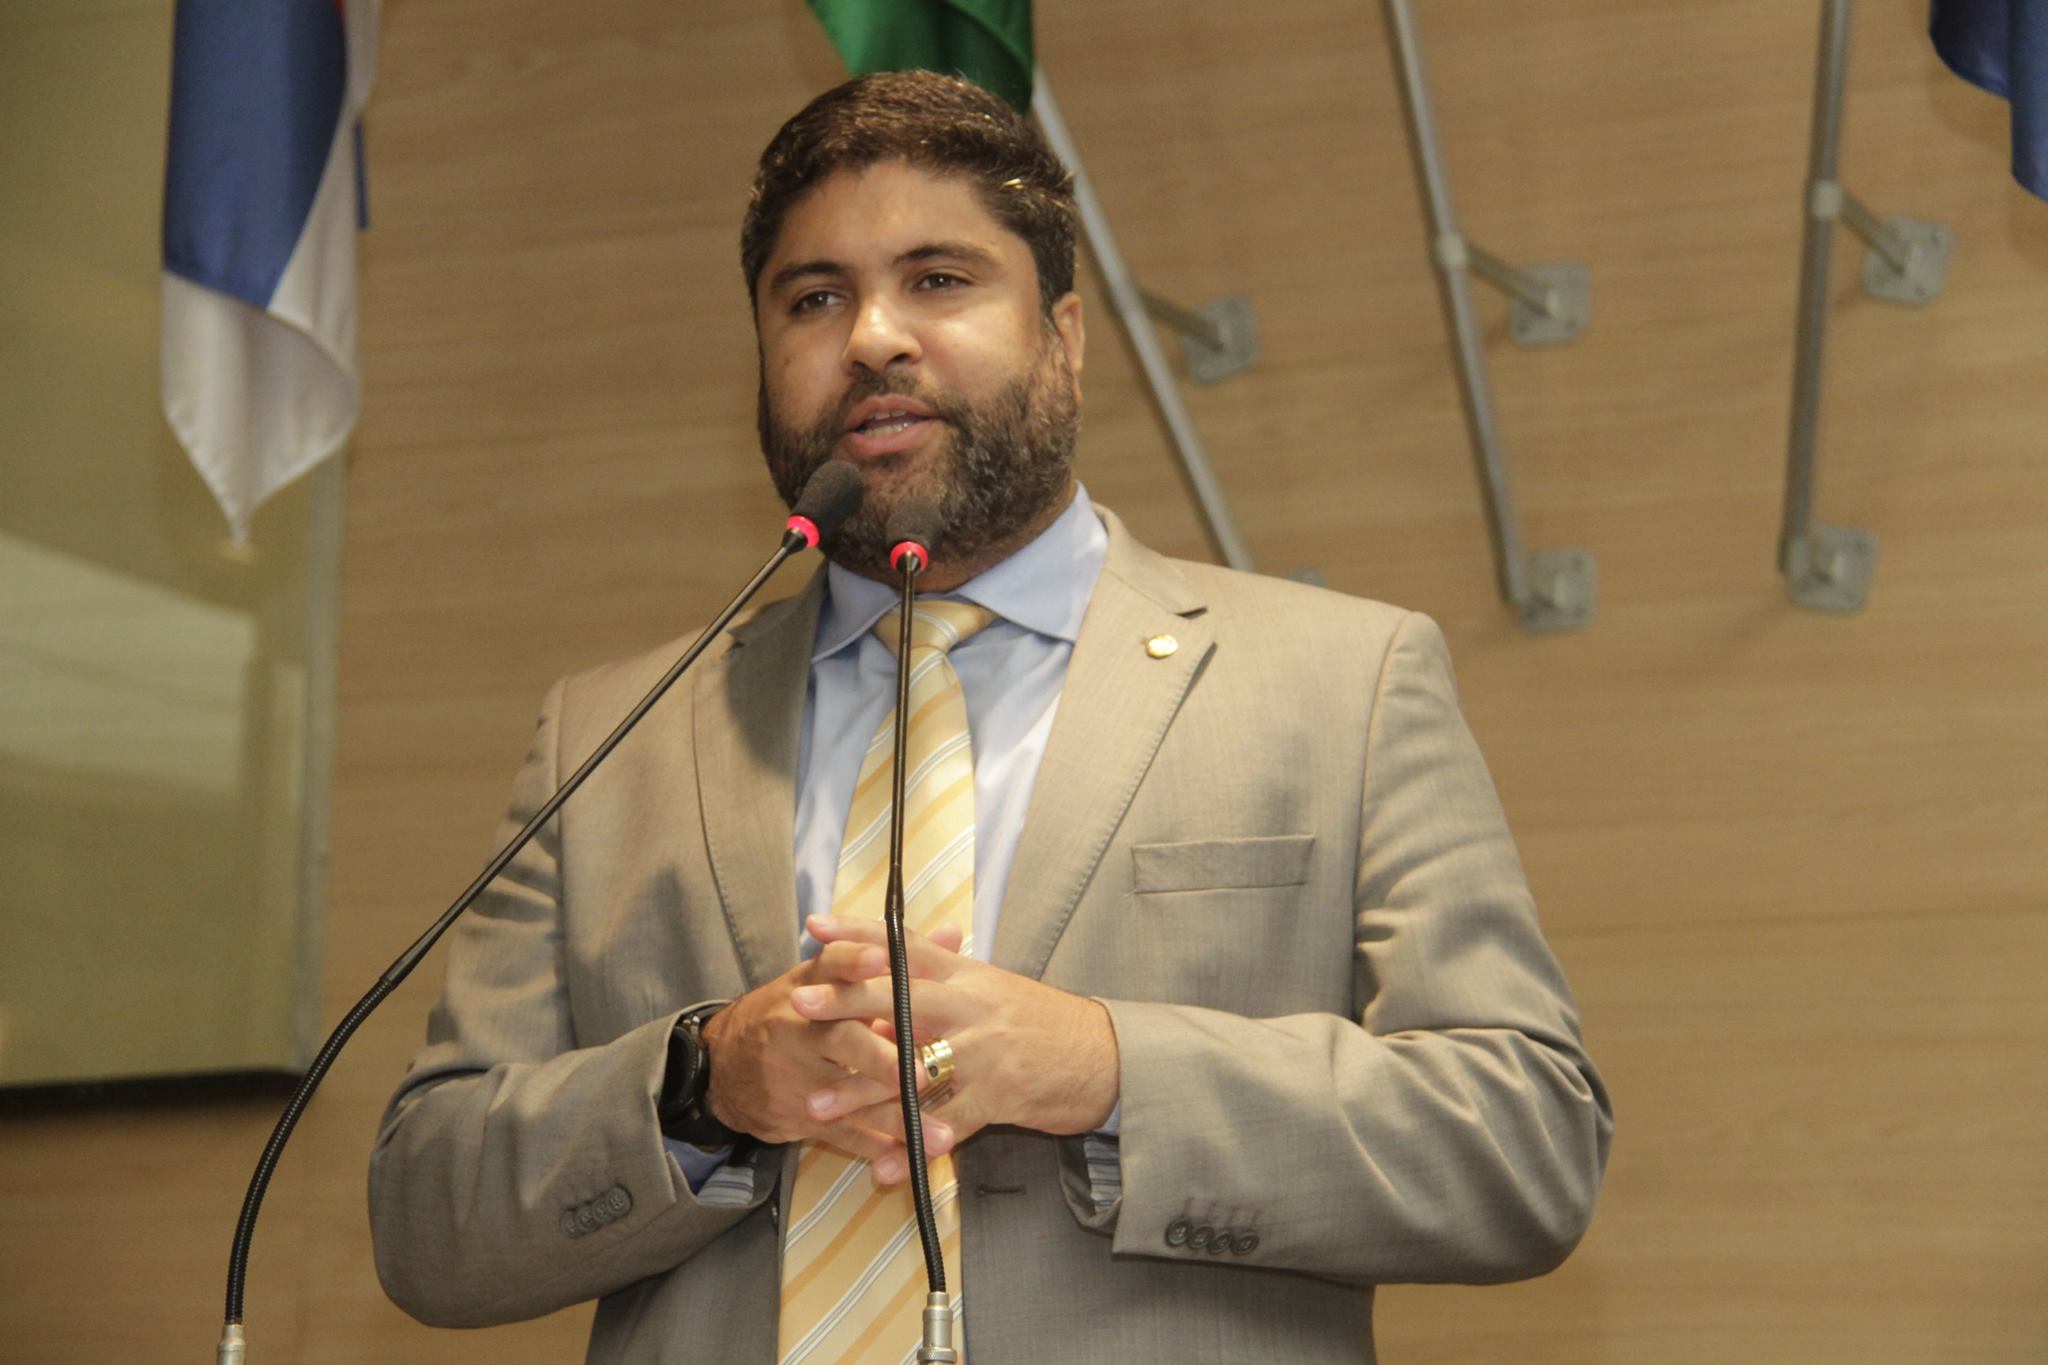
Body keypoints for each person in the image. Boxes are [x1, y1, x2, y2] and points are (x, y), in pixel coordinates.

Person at [369, 71, 1612, 1365]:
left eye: (939, 279)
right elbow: (424, 1212)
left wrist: (1105, 1065)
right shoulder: (610, 736)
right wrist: (706, 1082)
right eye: (814, 298)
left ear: (1064, 336)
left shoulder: (1340, 682)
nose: (873, 338)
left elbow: (1526, 1140)